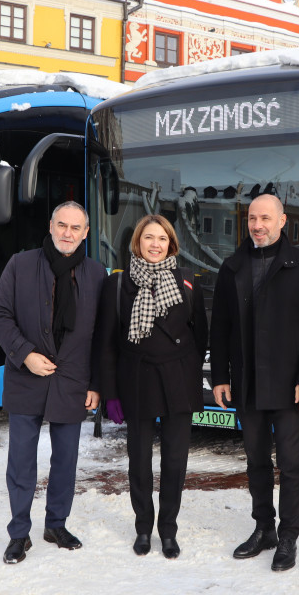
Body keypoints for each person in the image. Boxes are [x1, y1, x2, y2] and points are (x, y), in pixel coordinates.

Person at [210, 193, 299, 572]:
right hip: (247, 384)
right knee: (257, 461)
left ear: (281, 222)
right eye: (252, 219)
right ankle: (265, 529)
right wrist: (220, 377)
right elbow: (221, 328)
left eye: (265, 218)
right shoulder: (232, 267)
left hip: (292, 386)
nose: (257, 225)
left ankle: (289, 536)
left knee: (291, 465)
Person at [0, 201, 104, 565]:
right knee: (22, 462)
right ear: (50, 225)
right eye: (62, 225)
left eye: (75, 228)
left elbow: (102, 336)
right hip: (27, 378)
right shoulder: (20, 264)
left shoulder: (96, 274)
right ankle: (19, 534)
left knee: (66, 460)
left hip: (73, 382)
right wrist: (24, 354)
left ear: (86, 232)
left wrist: (96, 383)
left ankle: (56, 524)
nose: (67, 233)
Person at [94, 215, 207, 559]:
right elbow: (106, 344)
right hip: (137, 381)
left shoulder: (187, 281)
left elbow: (200, 335)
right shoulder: (117, 285)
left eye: (161, 238)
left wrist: (185, 369)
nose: (155, 244)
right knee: (139, 461)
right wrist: (110, 393)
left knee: (175, 461)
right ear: (138, 243)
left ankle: (168, 531)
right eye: (148, 238)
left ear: (171, 243)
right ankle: (143, 527)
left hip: (177, 382)